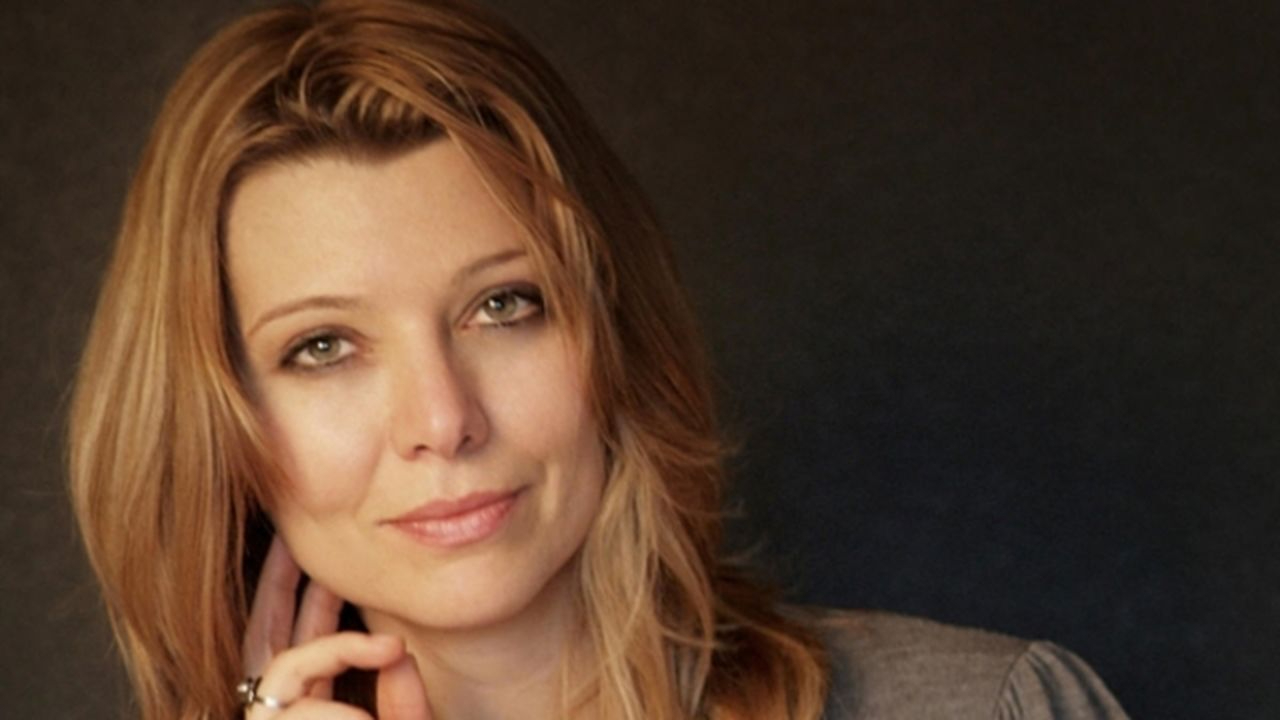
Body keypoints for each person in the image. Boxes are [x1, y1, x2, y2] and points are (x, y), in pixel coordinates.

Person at [67, 1, 1130, 718]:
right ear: (217, 422)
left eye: (503, 306)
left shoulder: (989, 707)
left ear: (611, 328)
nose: (441, 419)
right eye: (323, 347)